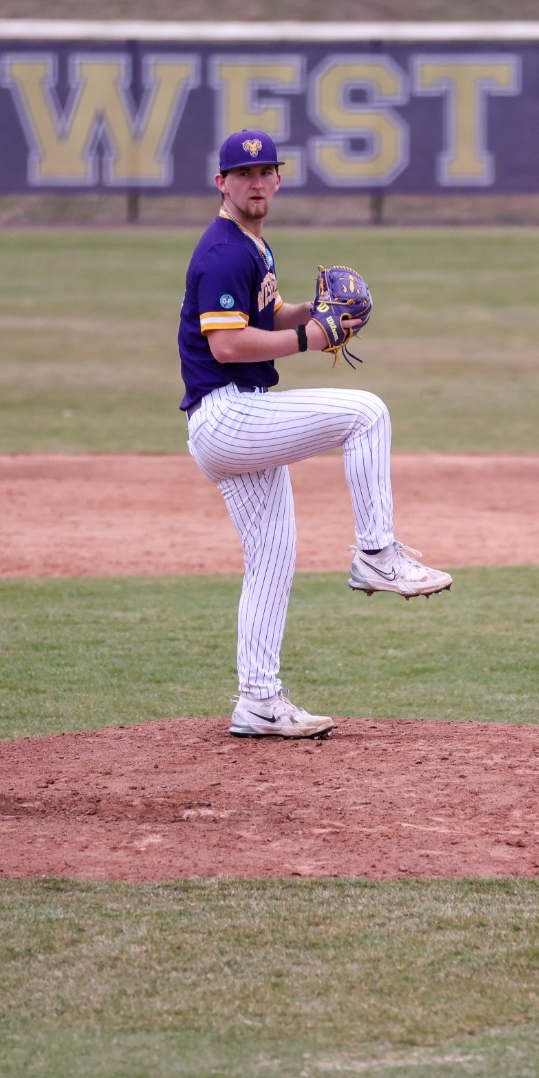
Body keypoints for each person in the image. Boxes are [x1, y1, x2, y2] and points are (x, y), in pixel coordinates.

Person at [178, 128, 452, 740]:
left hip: (233, 419)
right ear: (221, 182)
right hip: (228, 415)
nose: (255, 182)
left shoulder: (253, 246)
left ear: (277, 178)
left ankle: (259, 701)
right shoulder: (224, 250)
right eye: (242, 174)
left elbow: (260, 317)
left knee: (272, 559)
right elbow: (226, 344)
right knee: (367, 412)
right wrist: (313, 338)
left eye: (265, 172)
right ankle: (376, 556)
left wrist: (310, 311)